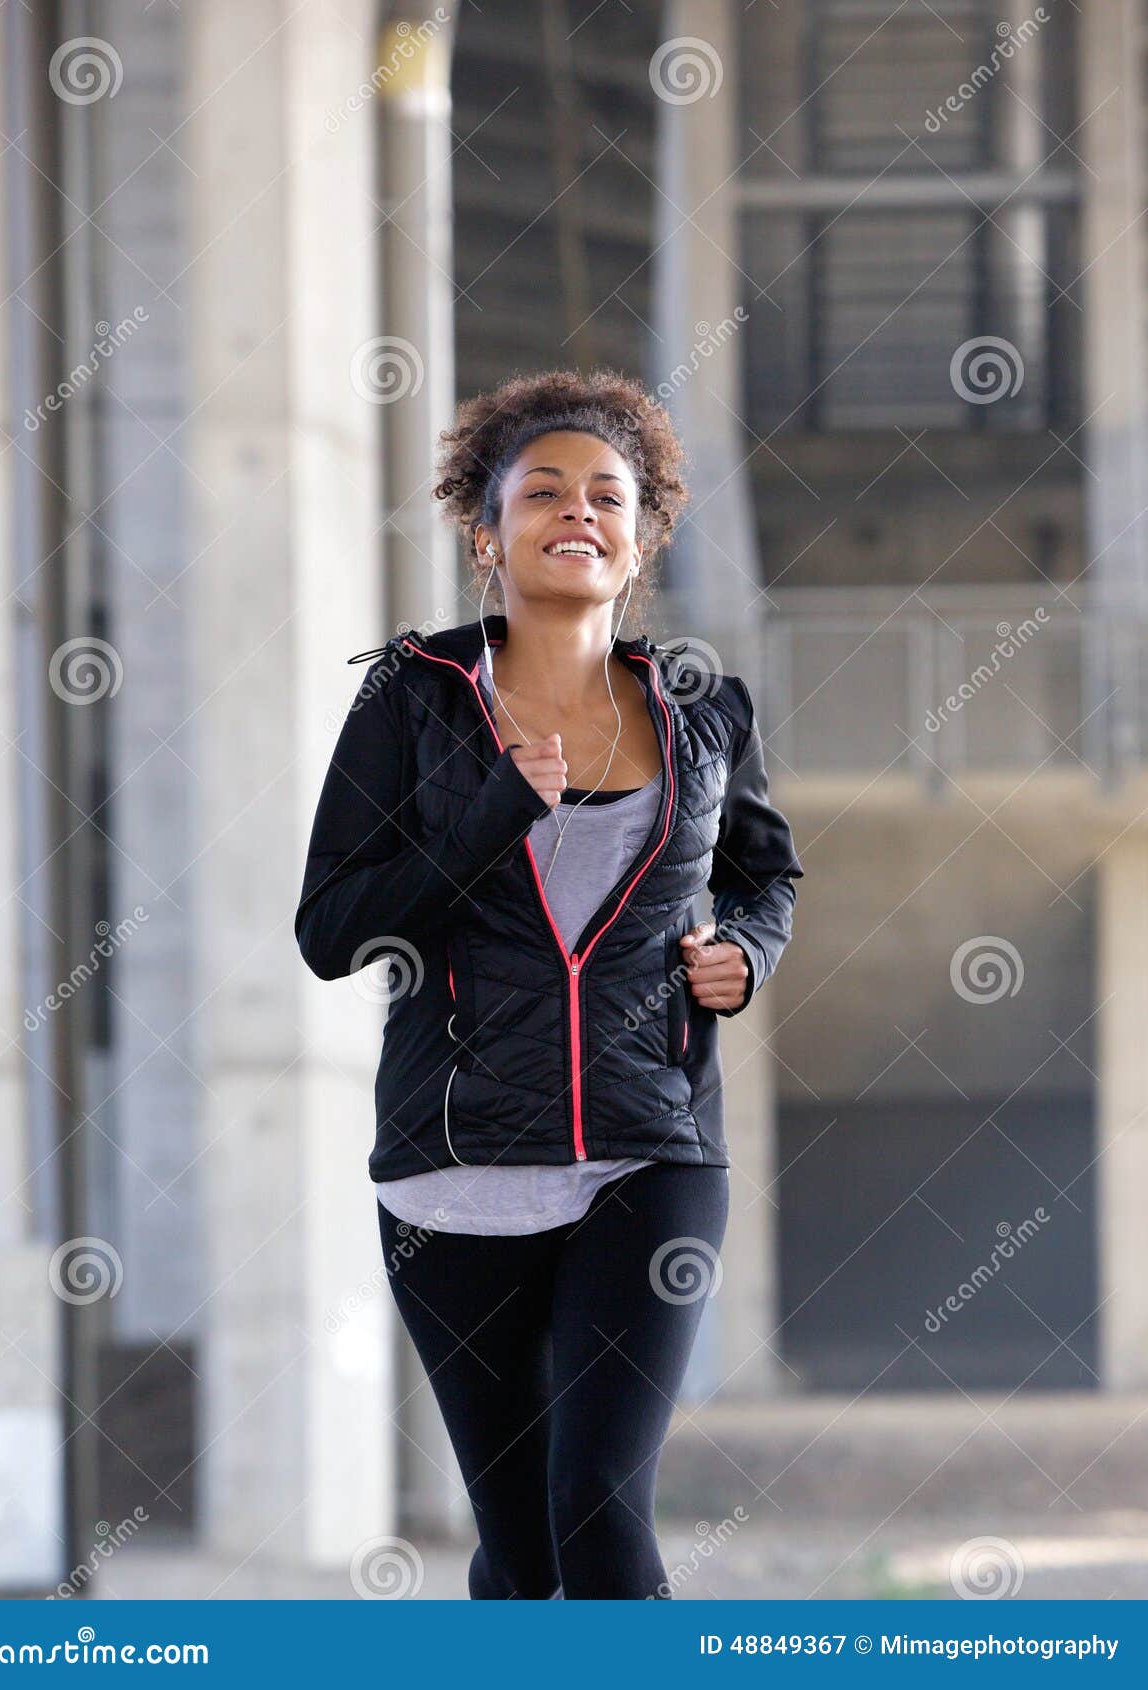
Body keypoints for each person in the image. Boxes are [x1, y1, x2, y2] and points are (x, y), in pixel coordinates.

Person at [295, 367, 805, 1599]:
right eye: (543, 491)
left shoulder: (702, 709)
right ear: (487, 531)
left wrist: (745, 951)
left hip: (651, 1145)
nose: (576, 511)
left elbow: (765, 873)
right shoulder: (411, 700)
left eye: (606, 495)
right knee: (519, 1547)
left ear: (640, 539)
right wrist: (486, 816)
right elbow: (329, 929)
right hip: (451, 1167)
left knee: (594, 1503)